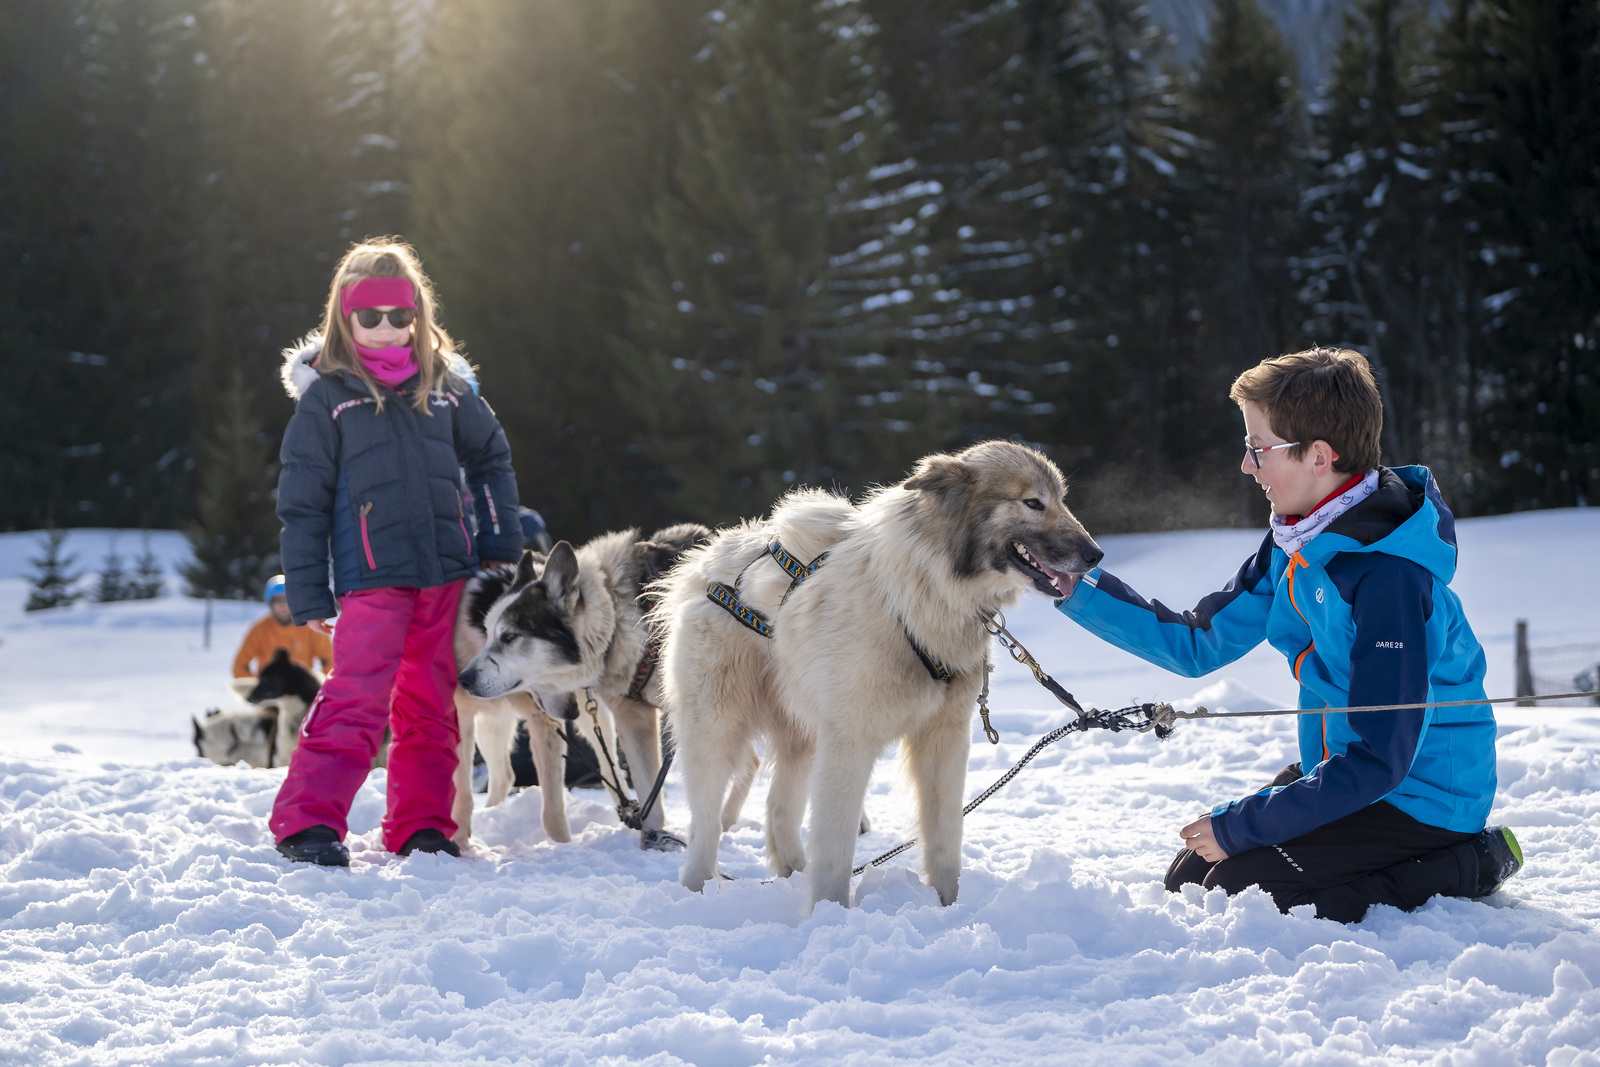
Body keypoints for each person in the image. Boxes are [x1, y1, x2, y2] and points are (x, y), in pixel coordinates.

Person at [1055, 346, 1521, 923]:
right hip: (1347, 773)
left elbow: (1382, 759)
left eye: (1257, 449)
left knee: (1250, 892)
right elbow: (1197, 643)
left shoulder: (1390, 579)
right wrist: (1071, 583)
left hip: (1421, 798)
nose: (1246, 466)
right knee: (1194, 878)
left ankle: (1471, 862)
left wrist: (1239, 826)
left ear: (1320, 456)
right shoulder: (1297, 542)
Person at [269, 239, 523, 867]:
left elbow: (491, 458)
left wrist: (499, 544)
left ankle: (421, 828)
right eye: (371, 317)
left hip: (445, 572)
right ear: (345, 318)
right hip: (370, 577)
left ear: (418, 316)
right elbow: (302, 505)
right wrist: (307, 591)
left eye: (400, 316)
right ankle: (308, 824)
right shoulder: (328, 398)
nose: (386, 329)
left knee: (432, 707)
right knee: (355, 696)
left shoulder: (446, 389)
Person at [232, 575, 334, 679]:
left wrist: (322, 688)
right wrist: (256, 690)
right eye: (278, 600)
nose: (283, 605)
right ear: (271, 603)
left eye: (287, 600)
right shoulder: (260, 629)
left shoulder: (310, 627)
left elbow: (330, 661)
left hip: (301, 690)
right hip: (270, 691)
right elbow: (240, 665)